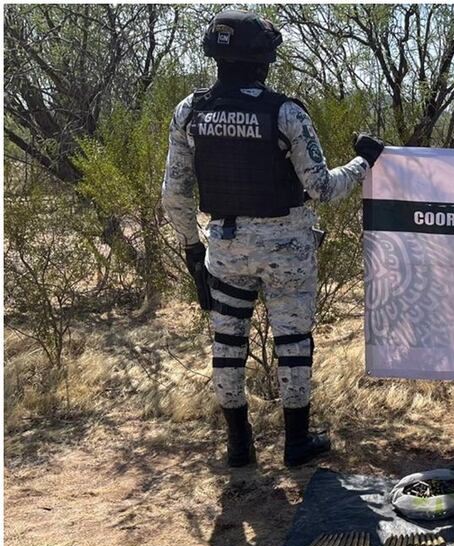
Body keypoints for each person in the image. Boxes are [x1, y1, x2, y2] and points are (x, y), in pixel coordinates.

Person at [161, 10, 386, 467]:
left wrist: (191, 248)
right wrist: (365, 161)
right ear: (264, 60)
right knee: (293, 344)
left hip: (223, 247)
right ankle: (296, 443)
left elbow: (175, 192)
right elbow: (322, 187)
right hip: (288, 248)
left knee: (227, 345)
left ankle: (238, 446)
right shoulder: (285, 111)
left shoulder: (191, 110)